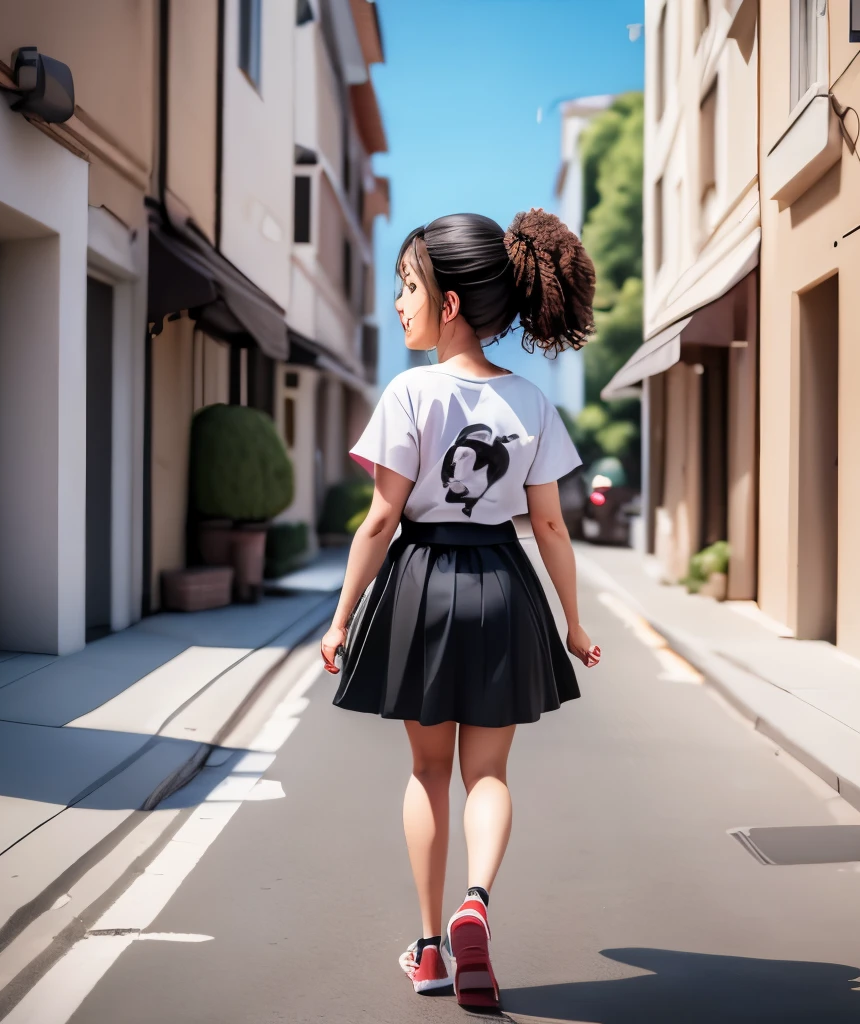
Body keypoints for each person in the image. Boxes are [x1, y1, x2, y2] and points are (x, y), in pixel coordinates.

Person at [320, 209, 601, 1010]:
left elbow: (381, 519)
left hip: (422, 582)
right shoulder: (533, 402)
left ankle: (432, 948)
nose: (400, 301)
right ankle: (476, 900)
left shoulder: (411, 392)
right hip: (504, 585)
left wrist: (341, 618)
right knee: (489, 773)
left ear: (449, 304)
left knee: (429, 770)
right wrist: (573, 623)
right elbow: (548, 524)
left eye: (409, 286)